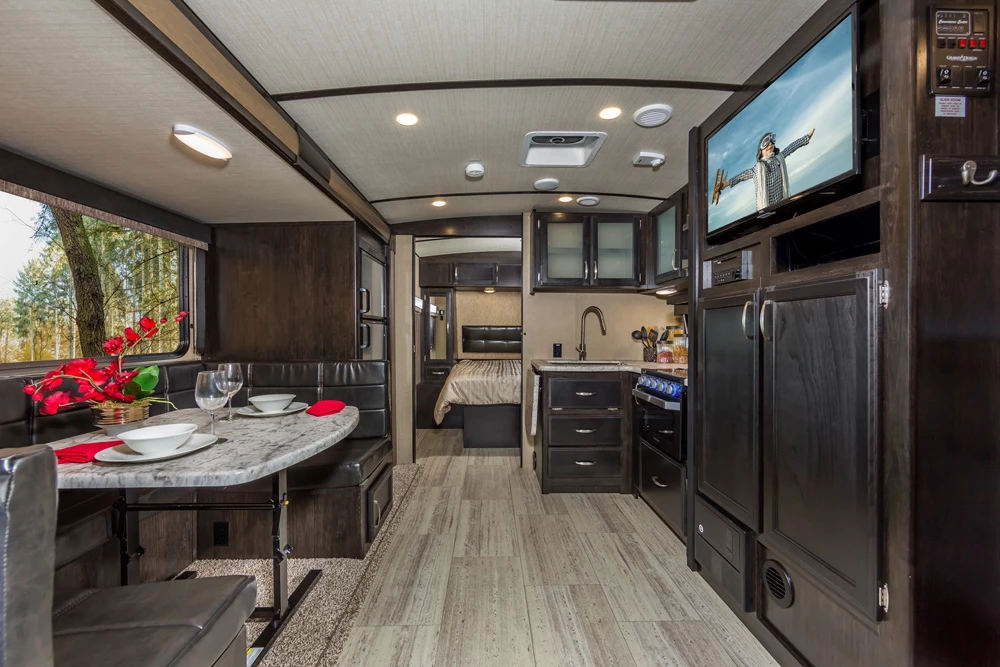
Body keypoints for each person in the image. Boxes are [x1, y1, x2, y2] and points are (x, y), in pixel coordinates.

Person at [719, 129, 815, 211]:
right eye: (766, 143)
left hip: (781, 204)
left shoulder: (778, 158)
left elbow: (791, 148)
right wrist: (727, 183)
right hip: (766, 209)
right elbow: (742, 176)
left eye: (772, 142)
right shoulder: (757, 168)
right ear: (760, 150)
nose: (770, 144)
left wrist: (806, 138)